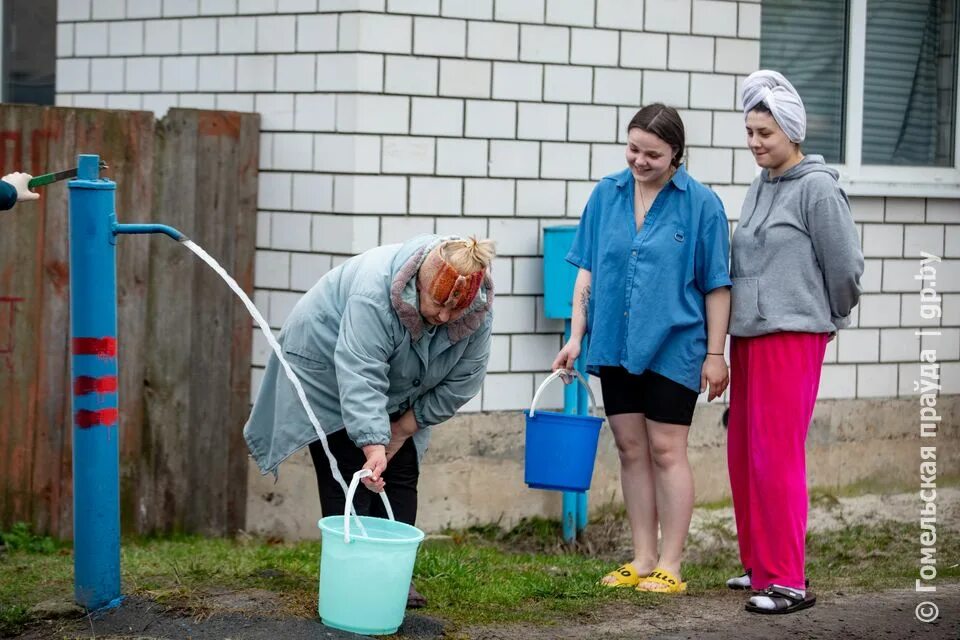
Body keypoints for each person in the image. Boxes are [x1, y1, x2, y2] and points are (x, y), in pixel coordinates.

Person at [244, 234, 495, 608]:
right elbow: (360, 372)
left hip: (396, 378)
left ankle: (394, 577)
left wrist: (401, 430)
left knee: (403, 468)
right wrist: (374, 443)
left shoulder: (477, 310)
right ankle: (353, 577)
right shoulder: (375, 294)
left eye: (453, 311)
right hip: (328, 366)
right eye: (438, 304)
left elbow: (465, 380)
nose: (444, 317)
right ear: (420, 283)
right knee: (351, 470)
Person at [552, 103, 732, 594]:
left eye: (652, 153)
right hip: (612, 342)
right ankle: (642, 557)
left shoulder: (702, 205)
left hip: (676, 345)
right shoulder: (606, 195)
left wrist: (716, 355)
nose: (639, 160)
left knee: (667, 449)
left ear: (676, 154)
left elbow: (717, 285)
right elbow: (586, 270)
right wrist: (575, 336)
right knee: (631, 449)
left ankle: (671, 565)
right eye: (633, 149)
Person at [726, 70, 863, 614]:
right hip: (750, 336)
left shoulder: (818, 188)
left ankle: (787, 579)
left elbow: (847, 267)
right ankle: (759, 563)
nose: (756, 142)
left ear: (791, 131)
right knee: (744, 452)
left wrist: (826, 317)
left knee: (777, 455)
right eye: (751, 132)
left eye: (766, 133)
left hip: (794, 336)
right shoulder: (761, 184)